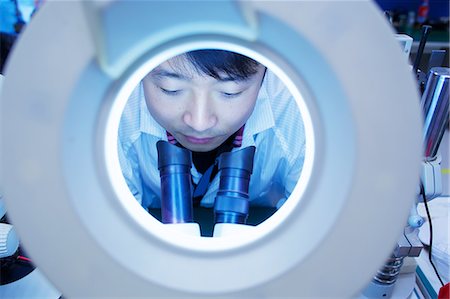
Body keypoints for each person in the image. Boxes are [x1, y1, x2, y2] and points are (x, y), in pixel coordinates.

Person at [118, 49, 305, 212]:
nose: (199, 123)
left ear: (265, 73)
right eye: (171, 89)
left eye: (230, 92)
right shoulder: (113, 109)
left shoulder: (299, 108)